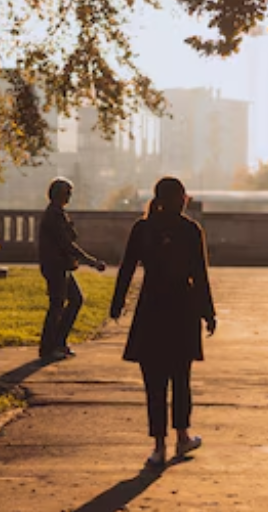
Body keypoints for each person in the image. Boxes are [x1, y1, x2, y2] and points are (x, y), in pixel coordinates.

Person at [109, 176, 216, 468]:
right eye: (183, 196)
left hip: (151, 309)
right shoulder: (191, 230)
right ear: (178, 198)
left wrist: (117, 304)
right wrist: (208, 312)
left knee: (153, 381)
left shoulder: (143, 228)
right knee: (181, 378)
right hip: (182, 309)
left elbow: (127, 268)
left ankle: (159, 445)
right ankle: (182, 435)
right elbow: (200, 275)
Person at [38, 177, 106, 361]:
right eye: (67, 193)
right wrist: (92, 262)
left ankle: (58, 342)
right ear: (58, 194)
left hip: (60, 266)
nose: (69, 197)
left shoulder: (57, 213)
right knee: (57, 305)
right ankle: (49, 347)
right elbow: (66, 244)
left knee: (74, 300)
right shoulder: (54, 215)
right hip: (56, 266)